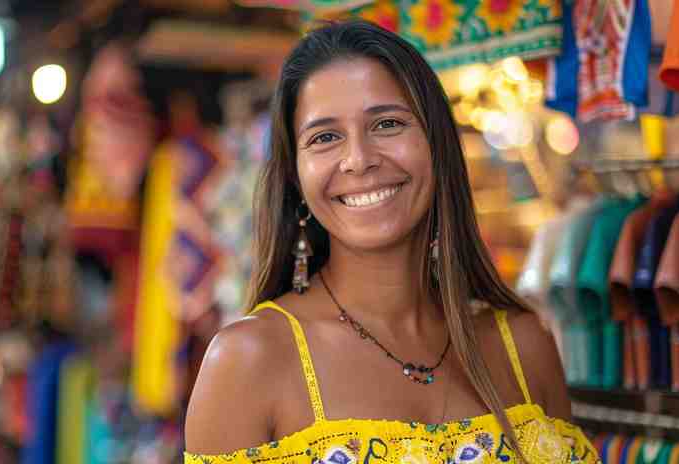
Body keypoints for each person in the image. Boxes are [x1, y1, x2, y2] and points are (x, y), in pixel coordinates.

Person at [185, 20, 600, 464]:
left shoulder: (522, 342)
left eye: (386, 124)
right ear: (294, 177)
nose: (359, 160)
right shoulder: (248, 360)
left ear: (437, 145)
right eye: (325, 137)